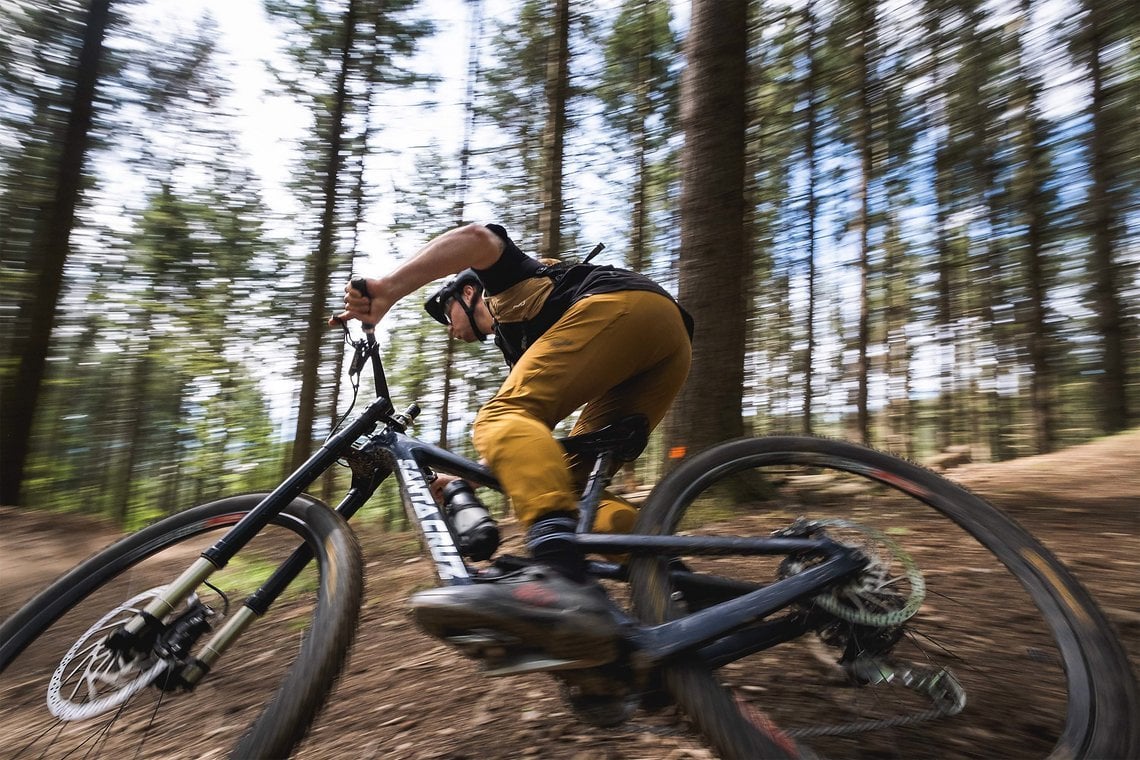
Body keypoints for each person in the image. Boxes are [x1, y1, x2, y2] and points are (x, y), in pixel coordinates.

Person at [332, 222, 692, 665]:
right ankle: (679, 582)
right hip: (666, 342)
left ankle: (561, 573)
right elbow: (528, 438)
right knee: (574, 492)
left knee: (499, 416)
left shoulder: (503, 288)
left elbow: (476, 239)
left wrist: (387, 288)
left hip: (625, 309)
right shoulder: (521, 345)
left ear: (467, 293)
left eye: (447, 315)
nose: (450, 330)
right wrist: (467, 478)